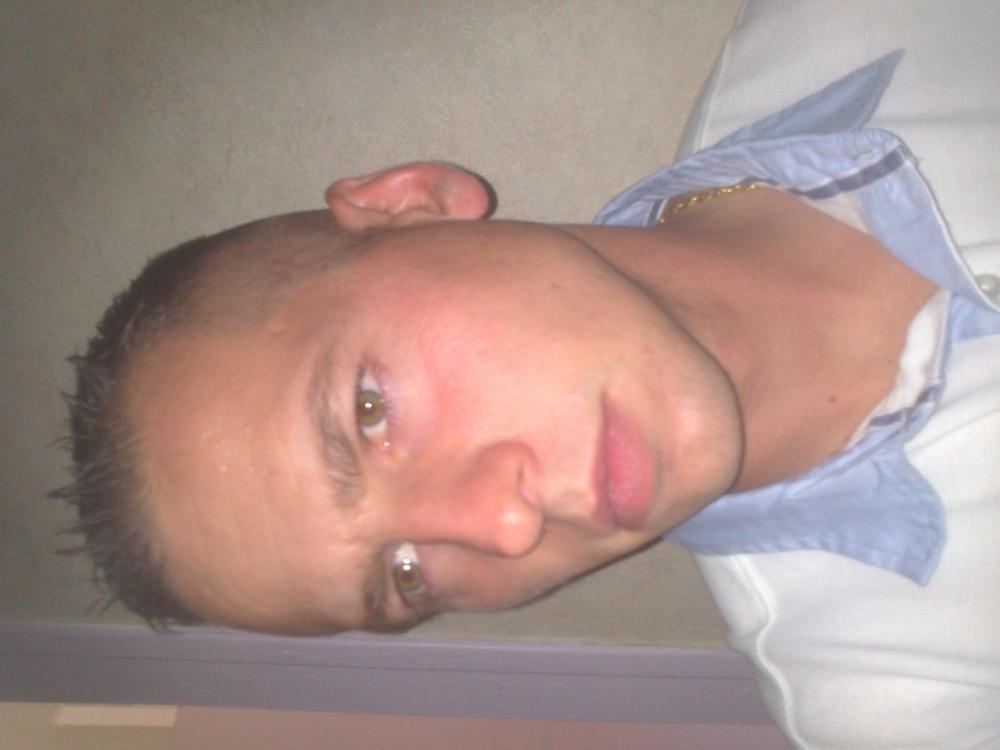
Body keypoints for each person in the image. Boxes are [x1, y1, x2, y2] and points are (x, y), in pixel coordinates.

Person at [59, 53, 1000, 743]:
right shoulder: (901, 702)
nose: (503, 529)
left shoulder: (859, 26)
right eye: (406, 577)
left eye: (369, 411)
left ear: (410, 206)